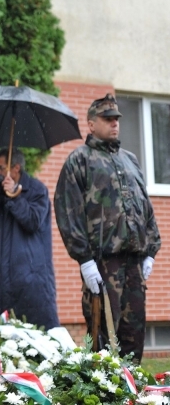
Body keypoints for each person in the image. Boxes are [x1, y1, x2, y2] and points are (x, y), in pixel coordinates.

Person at [55, 93, 161, 362]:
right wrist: (85, 260)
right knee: (103, 337)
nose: (115, 124)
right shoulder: (79, 160)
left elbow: (145, 206)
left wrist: (151, 249)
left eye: (117, 119)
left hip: (134, 264)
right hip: (103, 264)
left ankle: (133, 392)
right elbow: (69, 212)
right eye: (107, 119)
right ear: (91, 124)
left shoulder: (130, 160)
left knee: (133, 333)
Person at [0, 148, 59, 329]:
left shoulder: (36, 190)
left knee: (38, 331)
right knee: (4, 334)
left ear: (15, 169)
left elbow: (32, 221)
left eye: (1, 169)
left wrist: (15, 196)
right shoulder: (2, 193)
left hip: (31, 278)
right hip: (4, 278)